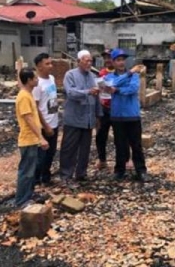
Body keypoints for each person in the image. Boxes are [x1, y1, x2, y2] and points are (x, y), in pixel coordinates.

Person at [105, 48, 149, 182]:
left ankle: (141, 170)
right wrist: (128, 74)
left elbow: (132, 89)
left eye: (123, 60)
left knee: (136, 144)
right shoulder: (109, 77)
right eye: (118, 60)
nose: (121, 63)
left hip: (132, 114)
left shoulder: (135, 76)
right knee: (119, 145)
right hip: (117, 115)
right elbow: (109, 86)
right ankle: (119, 170)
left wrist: (117, 90)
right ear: (112, 62)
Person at [59, 50, 102, 183]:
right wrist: (88, 92)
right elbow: (71, 93)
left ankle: (81, 174)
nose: (89, 63)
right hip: (74, 119)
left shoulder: (92, 77)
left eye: (90, 61)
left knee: (85, 149)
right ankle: (66, 176)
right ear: (78, 62)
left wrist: (98, 115)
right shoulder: (70, 75)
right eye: (86, 60)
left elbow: (97, 97)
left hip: (88, 120)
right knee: (69, 148)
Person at [15, 68, 49, 207]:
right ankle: (22, 201)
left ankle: (28, 196)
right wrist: (41, 137)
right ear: (29, 80)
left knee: (31, 170)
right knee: (26, 172)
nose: (37, 80)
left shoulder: (28, 94)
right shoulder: (23, 96)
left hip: (32, 140)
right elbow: (28, 119)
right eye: (35, 78)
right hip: (28, 140)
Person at [32, 53, 58, 186]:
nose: (51, 66)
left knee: (51, 153)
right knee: (41, 155)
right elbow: (35, 108)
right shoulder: (37, 84)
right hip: (44, 125)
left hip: (54, 122)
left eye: (51, 63)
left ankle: (46, 177)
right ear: (38, 66)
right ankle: (36, 179)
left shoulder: (52, 78)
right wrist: (45, 125)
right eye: (47, 64)